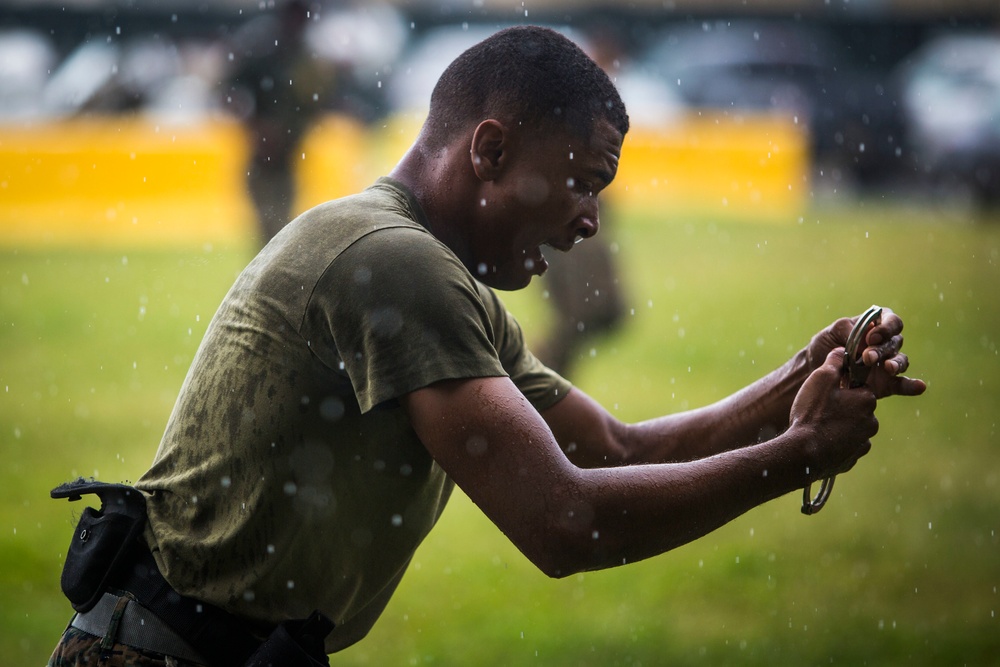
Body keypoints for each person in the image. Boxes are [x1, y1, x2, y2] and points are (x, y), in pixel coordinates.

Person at [48, 25, 926, 667]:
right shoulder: (393, 262)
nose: (589, 219)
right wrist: (799, 453)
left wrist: (801, 379)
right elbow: (564, 522)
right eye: (582, 181)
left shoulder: (441, 274)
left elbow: (618, 448)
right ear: (492, 149)